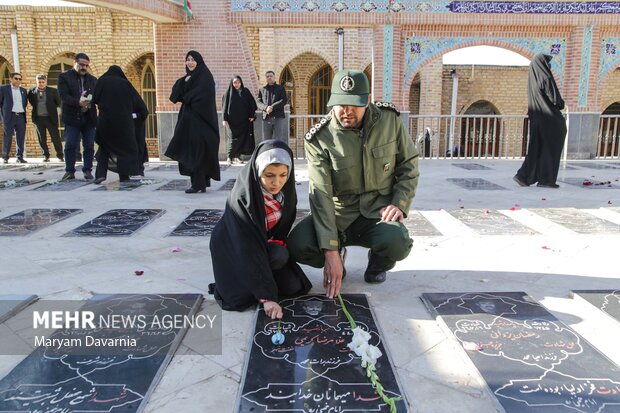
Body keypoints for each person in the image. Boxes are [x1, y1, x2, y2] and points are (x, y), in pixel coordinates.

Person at [288, 69, 420, 298]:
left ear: (367, 101)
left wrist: (399, 202)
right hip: (339, 215)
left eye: (353, 105)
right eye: (340, 104)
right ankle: (339, 252)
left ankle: (379, 261)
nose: (346, 111)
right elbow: (321, 195)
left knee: (397, 241)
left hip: (377, 212)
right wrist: (330, 250)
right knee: (299, 243)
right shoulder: (320, 138)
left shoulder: (389, 122)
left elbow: (408, 165)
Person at [209, 139, 311, 319]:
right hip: (235, 253)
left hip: (261, 247)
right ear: (257, 171)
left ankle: (262, 278)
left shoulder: (284, 194)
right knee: (245, 293)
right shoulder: (243, 200)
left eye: (283, 174)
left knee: (293, 286)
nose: (276, 182)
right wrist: (267, 297)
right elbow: (247, 248)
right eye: (269, 175)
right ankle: (254, 284)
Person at [165, 50, 220, 193]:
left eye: (192, 59)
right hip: (189, 122)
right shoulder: (189, 78)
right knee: (193, 151)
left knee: (197, 152)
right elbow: (175, 96)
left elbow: (202, 97)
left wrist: (187, 97)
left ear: (198, 61)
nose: (190, 62)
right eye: (188, 59)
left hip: (202, 123)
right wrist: (184, 81)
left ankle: (198, 185)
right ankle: (201, 182)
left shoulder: (205, 77)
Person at [513, 54, 567, 189]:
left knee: (536, 148)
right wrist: (561, 103)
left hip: (537, 119)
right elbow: (556, 100)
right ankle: (546, 180)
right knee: (550, 150)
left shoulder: (533, 79)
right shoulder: (545, 76)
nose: (549, 66)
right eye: (548, 63)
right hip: (550, 121)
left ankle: (523, 176)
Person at [91, 65, 141, 184]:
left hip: (106, 122)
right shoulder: (125, 83)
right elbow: (136, 101)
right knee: (123, 150)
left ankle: (100, 175)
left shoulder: (102, 81)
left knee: (104, 147)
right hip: (123, 123)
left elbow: (95, 99)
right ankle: (124, 176)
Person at [57, 52, 97, 180]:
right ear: (75, 62)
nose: (84, 68)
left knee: (89, 145)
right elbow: (63, 96)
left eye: (86, 65)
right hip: (72, 117)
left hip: (88, 118)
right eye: (82, 65)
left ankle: (88, 170)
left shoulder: (92, 79)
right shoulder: (64, 77)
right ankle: (70, 171)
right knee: (70, 144)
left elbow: (96, 96)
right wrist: (78, 102)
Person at [27, 74, 63, 162]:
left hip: (50, 118)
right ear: (36, 82)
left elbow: (59, 103)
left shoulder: (53, 91)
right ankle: (46, 155)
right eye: (39, 82)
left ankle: (60, 156)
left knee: (55, 137)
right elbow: (32, 102)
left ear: (46, 82)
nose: (41, 84)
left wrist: (58, 112)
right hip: (38, 118)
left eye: (43, 82)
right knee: (42, 138)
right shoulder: (31, 91)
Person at [222, 75, 257, 164]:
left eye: (238, 82)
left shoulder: (245, 92)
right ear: (232, 83)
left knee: (242, 139)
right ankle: (229, 157)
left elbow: (252, 104)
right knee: (233, 140)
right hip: (231, 122)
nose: (236, 84)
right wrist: (224, 119)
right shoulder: (228, 93)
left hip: (244, 121)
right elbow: (224, 107)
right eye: (234, 83)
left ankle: (237, 156)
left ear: (241, 83)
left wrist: (252, 115)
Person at [0, 72, 28, 163]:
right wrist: (2, 117)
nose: (18, 81)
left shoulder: (23, 90)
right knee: (7, 137)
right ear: (11, 79)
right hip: (9, 116)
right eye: (16, 78)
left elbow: (25, 104)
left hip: (20, 116)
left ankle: (20, 157)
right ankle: (5, 157)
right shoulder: (3, 89)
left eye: (20, 79)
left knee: (20, 137)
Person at [257, 70, 288, 142]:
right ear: (266, 78)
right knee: (266, 140)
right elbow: (258, 102)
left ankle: (277, 153)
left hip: (278, 117)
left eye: (271, 76)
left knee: (278, 139)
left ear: (274, 77)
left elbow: (284, 100)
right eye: (267, 76)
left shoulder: (280, 88)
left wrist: (272, 107)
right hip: (266, 117)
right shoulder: (262, 89)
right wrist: (266, 108)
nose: (269, 78)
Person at [132, 88, 149, 176]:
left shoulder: (136, 99)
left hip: (137, 129)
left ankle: (139, 168)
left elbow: (144, 112)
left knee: (138, 147)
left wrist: (133, 116)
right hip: (127, 131)